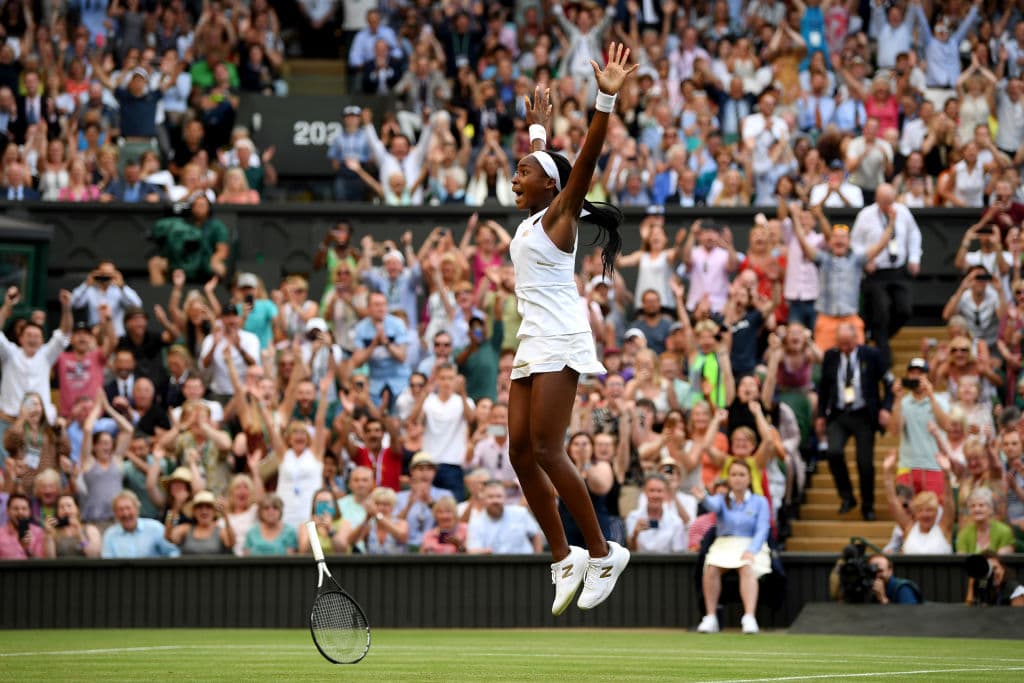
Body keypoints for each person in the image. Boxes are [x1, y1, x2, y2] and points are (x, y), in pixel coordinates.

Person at [507, 50, 637, 615]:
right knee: (518, 452)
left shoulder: (561, 214)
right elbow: (545, 159)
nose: (518, 174)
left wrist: (605, 98)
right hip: (532, 337)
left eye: (525, 172)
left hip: (559, 337)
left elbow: (581, 158)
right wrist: (537, 123)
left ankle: (604, 551)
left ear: (552, 187)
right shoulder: (537, 213)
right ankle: (565, 557)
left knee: (546, 448)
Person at [817, 322, 894, 520]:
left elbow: (889, 381)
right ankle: (847, 497)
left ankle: (868, 506)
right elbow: (824, 388)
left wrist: (886, 408)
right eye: (840, 343)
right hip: (839, 413)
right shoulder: (831, 356)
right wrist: (820, 416)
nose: (843, 347)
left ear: (855, 339)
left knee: (864, 462)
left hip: (864, 414)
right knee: (833, 452)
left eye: (847, 343)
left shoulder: (871, 354)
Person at [692, 460, 771, 634]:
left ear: (749, 478)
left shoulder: (760, 502)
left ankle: (749, 617)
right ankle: (710, 617)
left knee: (746, 567)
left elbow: (763, 528)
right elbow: (712, 505)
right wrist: (704, 497)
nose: (737, 479)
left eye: (742, 475)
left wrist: (752, 550)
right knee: (711, 568)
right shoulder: (721, 500)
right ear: (729, 479)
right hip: (724, 544)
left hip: (751, 543)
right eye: (733, 475)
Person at [850, 184, 922, 367]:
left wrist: (914, 257)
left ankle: (877, 337)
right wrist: (866, 260)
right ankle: (884, 357)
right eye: (884, 202)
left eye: (891, 202)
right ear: (876, 199)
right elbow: (855, 242)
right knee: (880, 310)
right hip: (876, 272)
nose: (888, 206)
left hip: (897, 269)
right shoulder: (865, 215)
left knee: (904, 309)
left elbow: (914, 234)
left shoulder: (903, 212)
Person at [0, 287, 72, 459]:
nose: (32, 338)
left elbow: (64, 333)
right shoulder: (10, 354)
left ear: (42, 340)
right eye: (28, 335)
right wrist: (7, 305)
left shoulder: (46, 355)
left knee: (43, 469)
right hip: (9, 421)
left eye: (36, 336)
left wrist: (67, 307)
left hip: (41, 425)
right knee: (7, 469)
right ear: (21, 338)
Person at [881, 451, 954, 555]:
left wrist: (946, 473)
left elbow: (948, 500)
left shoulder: (944, 528)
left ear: (936, 512)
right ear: (915, 513)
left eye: (929, 510)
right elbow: (892, 501)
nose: (925, 514)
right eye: (920, 510)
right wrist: (887, 471)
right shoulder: (909, 528)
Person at [466, 480, 543, 555]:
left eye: (499, 496)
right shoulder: (476, 522)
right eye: (490, 497)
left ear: (505, 498)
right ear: (483, 499)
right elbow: (472, 550)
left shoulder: (520, 513)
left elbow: (536, 535)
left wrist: (537, 558)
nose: (495, 500)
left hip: (525, 563)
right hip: (493, 565)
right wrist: (487, 552)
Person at [101, 491, 180, 558]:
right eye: (120, 510)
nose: (125, 514)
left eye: (128, 508)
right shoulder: (110, 535)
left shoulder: (155, 528)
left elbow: (173, 552)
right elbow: (107, 564)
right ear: (115, 513)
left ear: (137, 509)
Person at [625, 473, 686, 553]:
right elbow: (631, 552)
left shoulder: (676, 522)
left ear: (665, 493)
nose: (655, 495)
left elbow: (678, 555)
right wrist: (635, 534)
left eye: (659, 491)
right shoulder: (633, 517)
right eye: (652, 490)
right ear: (645, 492)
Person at [165, 490, 234, 555]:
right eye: (199, 507)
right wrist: (175, 508)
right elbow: (169, 536)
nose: (204, 511)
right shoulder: (186, 529)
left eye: (208, 507)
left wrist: (226, 515)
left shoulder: (220, 531)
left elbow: (231, 543)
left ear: (214, 511)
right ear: (194, 511)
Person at [349, 486, 408, 554]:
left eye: (385, 504)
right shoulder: (370, 526)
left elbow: (401, 536)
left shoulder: (401, 523)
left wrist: (377, 515)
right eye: (377, 504)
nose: (380, 507)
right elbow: (351, 541)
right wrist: (366, 519)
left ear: (393, 507)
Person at [0, 493, 55, 559]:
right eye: (15, 508)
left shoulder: (38, 532)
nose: (20, 512)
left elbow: (41, 564)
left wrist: (26, 548)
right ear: (7, 511)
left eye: (24, 508)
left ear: (30, 512)